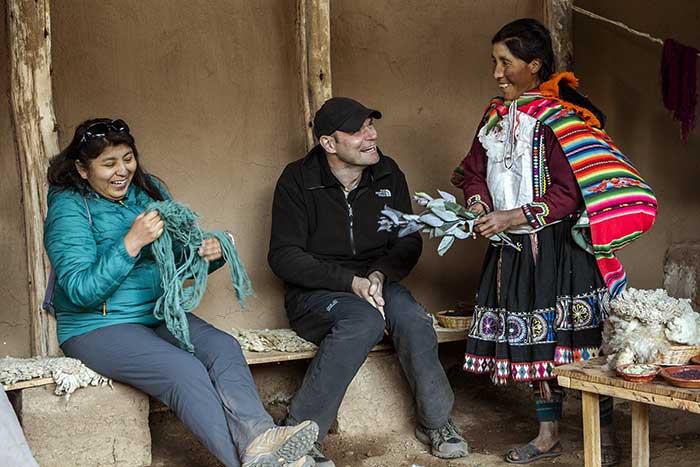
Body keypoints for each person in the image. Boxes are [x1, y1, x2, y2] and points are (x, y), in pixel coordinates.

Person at [43, 118, 318, 467]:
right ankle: (253, 463)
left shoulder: (148, 193)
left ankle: (260, 442)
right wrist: (130, 243)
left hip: (157, 313)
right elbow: (81, 291)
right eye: (108, 163)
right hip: (96, 327)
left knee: (223, 348)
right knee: (183, 370)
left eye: (127, 158)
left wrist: (208, 253)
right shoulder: (69, 208)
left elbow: (175, 259)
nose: (122, 171)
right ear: (83, 169)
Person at [452, 19, 656, 465]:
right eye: (494, 63)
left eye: (506, 63)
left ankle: (604, 436)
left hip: (563, 252)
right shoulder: (495, 118)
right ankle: (547, 434)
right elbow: (471, 170)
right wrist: (478, 205)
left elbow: (570, 192)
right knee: (535, 343)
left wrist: (515, 215)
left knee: (581, 345)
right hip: (514, 251)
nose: (497, 73)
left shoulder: (563, 120)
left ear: (534, 65)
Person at [268, 97, 468, 467]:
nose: (371, 135)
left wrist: (379, 274)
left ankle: (437, 423)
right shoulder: (297, 180)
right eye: (358, 131)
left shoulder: (388, 173)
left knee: (412, 319)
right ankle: (298, 432)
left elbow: (408, 239)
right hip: (316, 292)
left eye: (371, 126)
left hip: (377, 282)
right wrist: (349, 282)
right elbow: (284, 257)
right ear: (329, 143)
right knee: (363, 321)